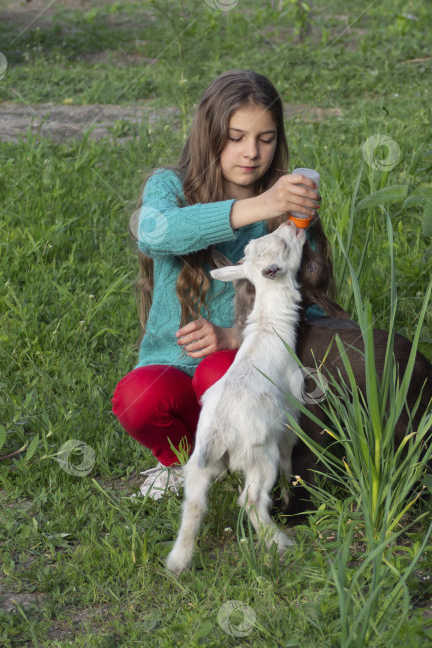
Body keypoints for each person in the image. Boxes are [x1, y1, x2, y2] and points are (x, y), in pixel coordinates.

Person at [111, 70, 331, 499]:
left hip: (241, 373)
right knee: (137, 398)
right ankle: (184, 461)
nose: (251, 153)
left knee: (217, 369)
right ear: (209, 134)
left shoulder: (289, 204)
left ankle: (240, 457)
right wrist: (258, 206)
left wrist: (235, 335)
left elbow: (316, 307)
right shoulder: (172, 186)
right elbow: (155, 233)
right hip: (171, 370)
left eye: (265, 139)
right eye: (235, 137)